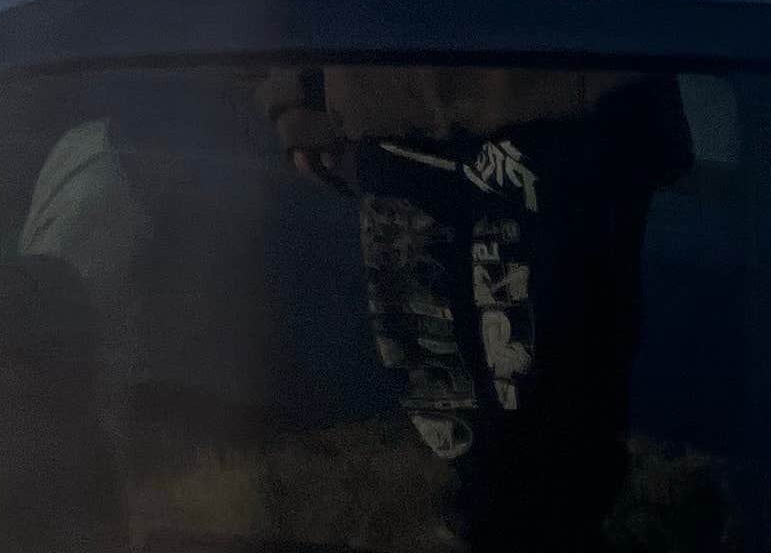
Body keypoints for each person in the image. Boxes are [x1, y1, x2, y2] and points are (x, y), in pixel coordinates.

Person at [257, 67, 695, 545]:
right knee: (444, 411)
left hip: (564, 108)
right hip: (401, 101)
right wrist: (297, 95)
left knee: (553, 430)